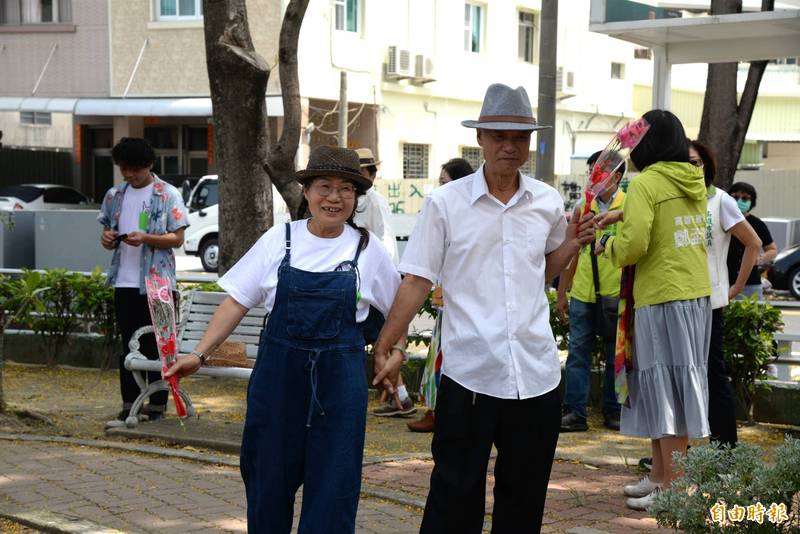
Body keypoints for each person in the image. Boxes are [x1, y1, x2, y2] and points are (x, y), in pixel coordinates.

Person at [371, 83, 595, 532]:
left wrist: (572, 242)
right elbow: (417, 279)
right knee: (455, 492)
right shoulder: (444, 204)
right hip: (471, 371)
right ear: (480, 139)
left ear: (530, 141)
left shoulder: (546, 201)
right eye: (498, 136)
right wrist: (385, 343)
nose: (509, 147)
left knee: (525, 497)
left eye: (519, 138)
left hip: (536, 373)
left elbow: (543, 269)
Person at [166, 146, 401, 533]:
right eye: (324, 186)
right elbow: (236, 300)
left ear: (356, 199)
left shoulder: (367, 249)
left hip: (340, 386)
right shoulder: (280, 239)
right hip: (278, 382)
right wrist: (199, 354)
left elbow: (397, 311)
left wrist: (396, 349)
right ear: (306, 192)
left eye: (346, 189)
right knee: (267, 481)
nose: (335, 197)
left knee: (334, 487)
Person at [595, 110, 712, 511]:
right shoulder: (693, 179)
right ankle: (662, 476)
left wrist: (607, 244)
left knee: (665, 390)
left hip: (661, 296)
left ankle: (674, 486)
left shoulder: (645, 182)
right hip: (694, 296)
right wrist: (622, 214)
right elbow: (664, 220)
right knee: (672, 387)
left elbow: (632, 247)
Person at [98, 137, 189, 429]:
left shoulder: (167, 194)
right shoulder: (115, 195)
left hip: (159, 283)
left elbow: (177, 238)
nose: (128, 174)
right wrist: (108, 239)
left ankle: (158, 406)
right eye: (123, 168)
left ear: (148, 165)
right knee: (129, 346)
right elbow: (107, 236)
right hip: (124, 282)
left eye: (134, 169)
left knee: (159, 346)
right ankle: (129, 407)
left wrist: (147, 238)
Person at [558, 150, 625, 432]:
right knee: (577, 354)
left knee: (616, 355)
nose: (592, 180)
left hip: (616, 292)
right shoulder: (581, 208)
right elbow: (570, 254)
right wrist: (563, 293)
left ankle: (615, 412)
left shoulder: (629, 205)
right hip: (583, 293)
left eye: (599, 174)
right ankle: (575, 412)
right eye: (590, 173)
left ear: (617, 176)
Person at [408, 157, 475, 433]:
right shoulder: (444, 208)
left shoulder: (465, 213)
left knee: (446, 356)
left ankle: (442, 410)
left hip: (460, 302)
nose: (439, 187)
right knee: (439, 352)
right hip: (444, 298)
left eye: (444, 182)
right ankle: (436, 409)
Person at [727, 182, 777, 300]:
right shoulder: (721, 220)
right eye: (735, 197)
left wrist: (758, 259)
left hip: (751, 283)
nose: (739, 201)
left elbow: (772, 250)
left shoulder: (757, 224)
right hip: (724, 281)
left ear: (752, 202)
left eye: (745, 198)